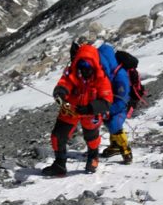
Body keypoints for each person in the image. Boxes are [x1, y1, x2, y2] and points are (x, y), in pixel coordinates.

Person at [42, 42, 113, 176]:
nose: (84, 69)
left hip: (90, 113)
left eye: (88, 66)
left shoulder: (101, 77)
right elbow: (64, 84)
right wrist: (60, 93)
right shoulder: (72, 73)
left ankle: (93, 157)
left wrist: (89, 108)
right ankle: (59, 164)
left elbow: (107, 101)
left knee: (91, 137)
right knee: (58, 136)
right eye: (82, 65)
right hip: (70, 109)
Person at [97, 42, 135, 163]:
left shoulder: (120, 75)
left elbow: (122, 100)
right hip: (111, 101)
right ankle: (115, 146)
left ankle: (126, 150)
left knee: (114, 124)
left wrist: (107, 110)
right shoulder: (109, 71)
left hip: (122, 104)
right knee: (109, 123)